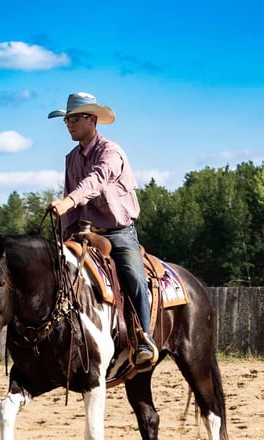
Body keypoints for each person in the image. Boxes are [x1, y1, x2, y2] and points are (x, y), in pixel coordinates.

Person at [47, 92, 158, 369]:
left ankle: (144, 337)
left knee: (133, 275)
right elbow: (70, 205)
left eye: (74, 119)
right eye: (66, 120)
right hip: (83, 233)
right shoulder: (71, 158)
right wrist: (63, 238)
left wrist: (68, 201)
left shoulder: (111, 152)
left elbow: (95, 181)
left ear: (92, 120)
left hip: (118, 232)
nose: (69, 124)